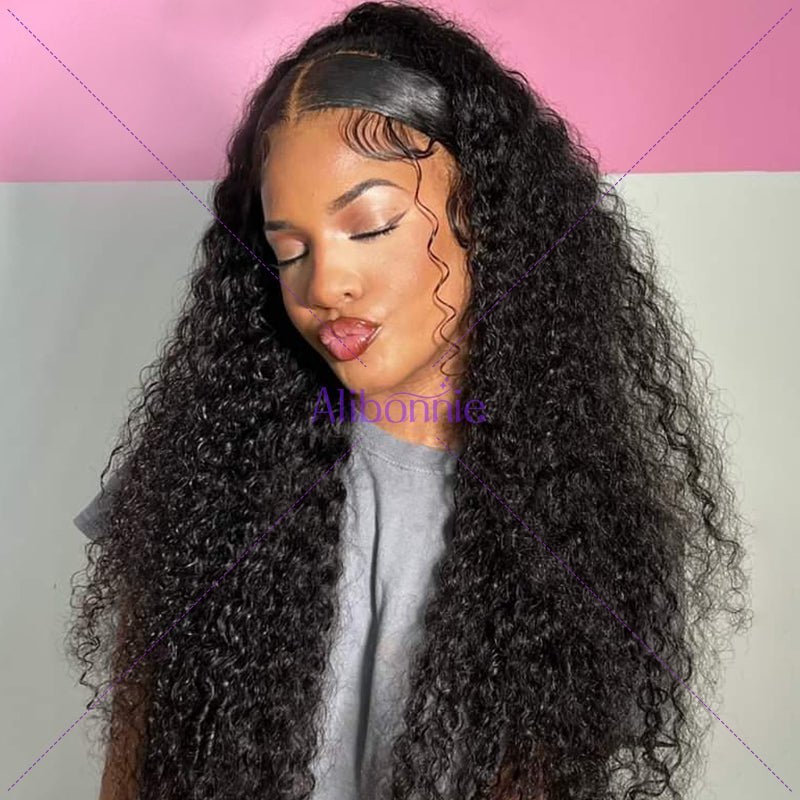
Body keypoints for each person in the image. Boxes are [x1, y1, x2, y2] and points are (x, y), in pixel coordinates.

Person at [66, 2, 752, 799]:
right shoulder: (206, 467)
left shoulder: (581, 522)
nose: (325, 284)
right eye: (289, 250)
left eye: (370, 225)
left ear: (483, 218)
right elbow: (135, 767)